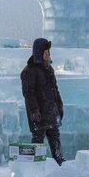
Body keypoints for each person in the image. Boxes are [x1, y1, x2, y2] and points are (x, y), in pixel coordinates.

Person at [20, 37, 65, 165]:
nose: (48, 54)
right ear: (39, 53)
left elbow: (55, 90)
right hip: (39, 113)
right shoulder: (28, 72)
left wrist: (60, 106)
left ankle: (59, 162)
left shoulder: (49, 70)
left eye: (49, 52)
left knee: (55, 136)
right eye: (46, 52)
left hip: (51, 111)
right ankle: (36, 165)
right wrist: (34, 111)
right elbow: (28, 94)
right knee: (38, 138)